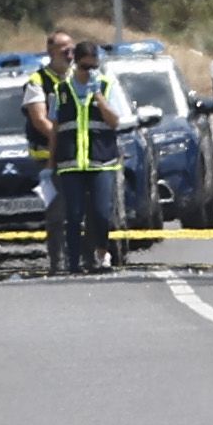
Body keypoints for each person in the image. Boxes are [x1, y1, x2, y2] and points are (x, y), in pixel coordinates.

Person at [52, 41, 128, 273]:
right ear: (76, 64)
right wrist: (50, 163)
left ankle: (101, 255)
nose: (89, 71)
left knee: (101, 213)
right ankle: (74, 262)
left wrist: (98, 96)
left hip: (101, 161)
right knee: (74, 215)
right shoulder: (62, 90)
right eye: (85, 67)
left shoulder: (106, 86)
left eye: (94, 66)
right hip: (71, 163)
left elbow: (115, 122)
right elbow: (55, 127)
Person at [22, 30, 74, 273]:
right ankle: (59, 263)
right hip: (48, 160)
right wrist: (62, 139)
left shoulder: (81, 77)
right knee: (56, 215)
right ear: (52, 52)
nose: (69, 52)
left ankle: (86, 259)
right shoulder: (38, 81)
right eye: (64, 48)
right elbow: (40, 120)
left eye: (71, 47)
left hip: (80, 156)